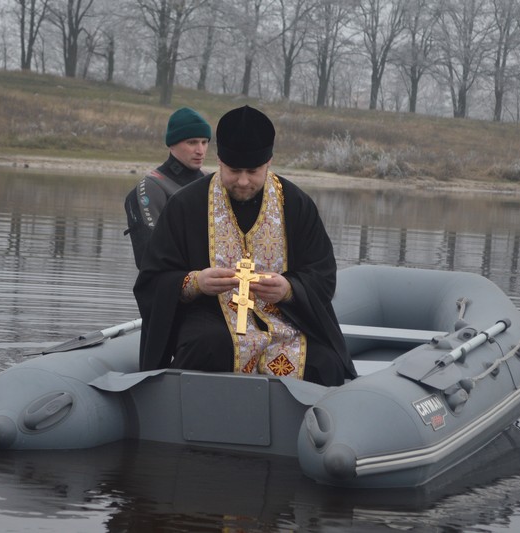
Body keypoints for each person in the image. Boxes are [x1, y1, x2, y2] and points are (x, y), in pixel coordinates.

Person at [133, 105, 357, 387]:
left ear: (269, 162)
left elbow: (323, 276)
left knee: (325, 362)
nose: (242, 181)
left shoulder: (296, 204)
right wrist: (195, 282)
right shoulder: (185, 206)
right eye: (233, 170)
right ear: (219, 160)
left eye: (253, 171)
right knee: (207, 346)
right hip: (210, 313)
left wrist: (289, 290)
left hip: (284, 319)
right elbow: (152, 280)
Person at [124, 107, 212, 268]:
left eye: (204, 142)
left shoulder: (212, 183)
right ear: (172, 144)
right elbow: (149, 257)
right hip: (174, 285)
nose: (200, 150)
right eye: (192, 142)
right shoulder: (151, 188)